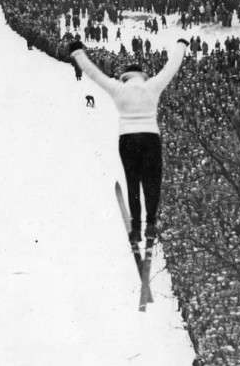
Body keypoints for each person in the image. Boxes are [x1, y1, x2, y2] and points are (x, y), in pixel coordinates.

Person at [68, 37, 190, 254]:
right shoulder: (152, 86)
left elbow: (94, 73)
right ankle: (151, 224)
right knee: (152, 182)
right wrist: (180, 44)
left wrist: (78, 52)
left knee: (133, 182)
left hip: (127, 139)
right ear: (142, 77)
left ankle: (136, 228)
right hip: (150, 137)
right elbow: (171, 66)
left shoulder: (118, 89)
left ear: (125, 78)